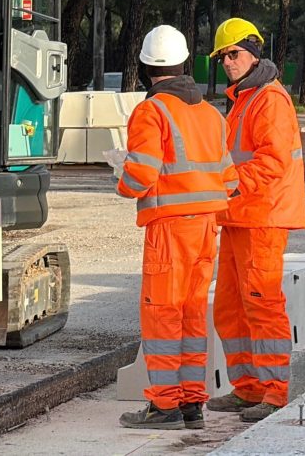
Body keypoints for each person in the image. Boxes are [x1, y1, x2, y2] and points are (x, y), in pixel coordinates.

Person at [116, 25, 238, 431]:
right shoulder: (210, 113)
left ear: (146, 67)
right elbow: (231, 179)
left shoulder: (152, 111)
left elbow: (142, 174)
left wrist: (122, 179)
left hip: (170, 228)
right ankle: (191, 404)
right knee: (191, 317)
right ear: (185, 65)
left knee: (163, 316)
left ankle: (165, 405)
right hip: (207, 228)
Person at [206, 17, 305, 423]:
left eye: (234, 54)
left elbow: (271, 161)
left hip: (262, 217)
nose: (228, 62)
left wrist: (229, 186)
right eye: (222, 57)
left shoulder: (269, 99)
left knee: (263, 304)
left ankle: (276, 392)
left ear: (253, 52)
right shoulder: (245, 98)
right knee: (230, 308)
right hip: (238, 218)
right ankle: (248, 388)